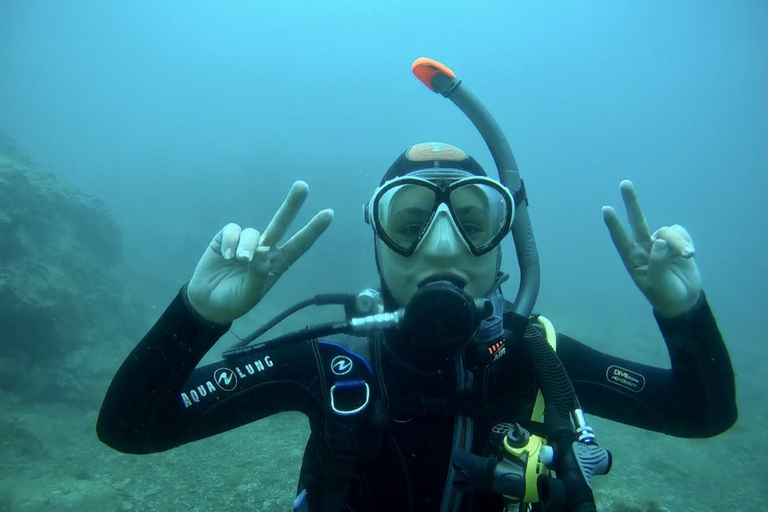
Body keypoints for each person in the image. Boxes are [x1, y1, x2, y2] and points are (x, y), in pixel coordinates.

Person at [97, 61, 736, 512]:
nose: (441, 245)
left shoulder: (537, 359)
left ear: (504, 245)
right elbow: (133, 426)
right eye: (408, 223)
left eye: (471, 221)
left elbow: (702, 413)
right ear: (376, 241)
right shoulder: (333, 360)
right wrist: (198, 313)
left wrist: (684, 313)